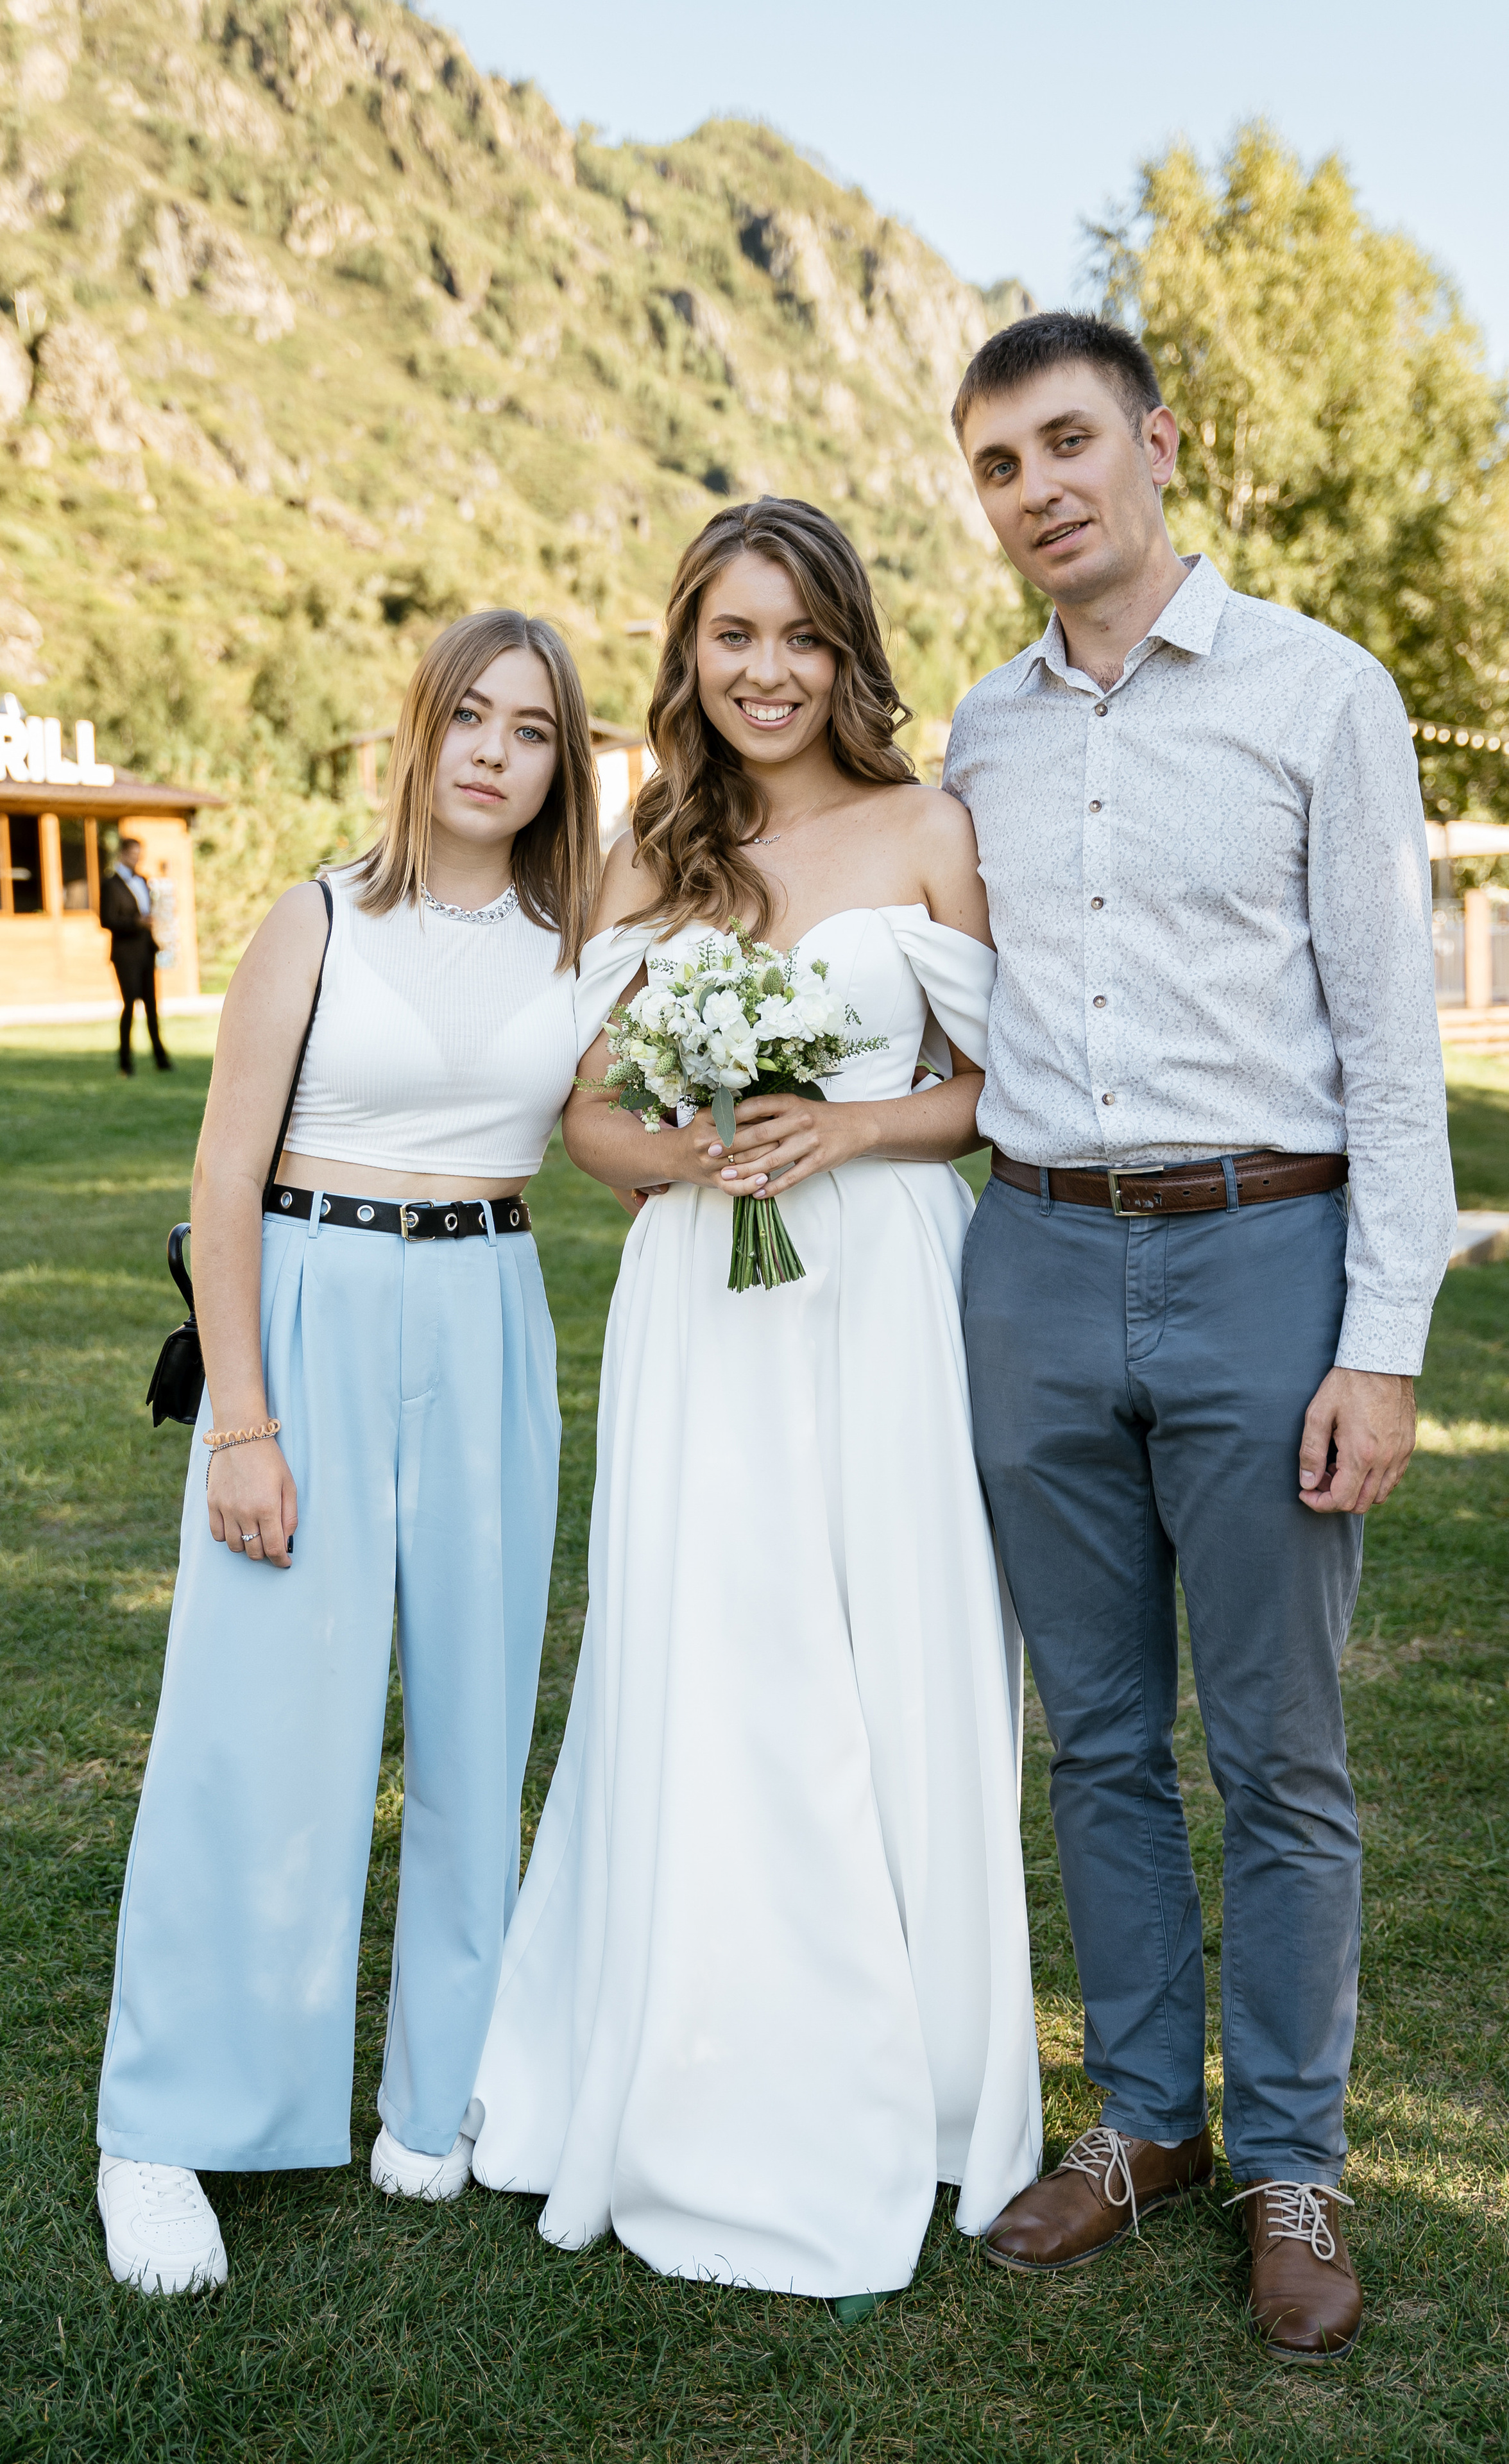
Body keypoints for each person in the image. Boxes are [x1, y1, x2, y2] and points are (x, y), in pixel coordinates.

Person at [944, 312, 1454, 2360]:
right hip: (1036, 1263)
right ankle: (1147, 2116)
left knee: (1278, 1747)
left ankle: (1295, 2154)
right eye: (994, 464)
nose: (1036, 487)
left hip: (1265, 1252)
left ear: (1156, 445)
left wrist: (1384, 1337)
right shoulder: (975, 731)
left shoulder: (1319, 692)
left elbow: (1391, 1048)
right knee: (1090, 1733)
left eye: (1065, 441)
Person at [469, 498, 1041, 2318]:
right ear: (690, 657)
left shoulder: (929, 827)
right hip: (702, 1306)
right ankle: (701, 2033)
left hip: (881, 1289)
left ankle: (928, 2066)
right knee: (716, 1650)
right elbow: (586, 1121)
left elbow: (993, 1085)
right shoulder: (657, 852)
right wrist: (696, 1152)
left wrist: (848, 1126)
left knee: (890, 1645)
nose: (767, 670)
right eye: (732, 637)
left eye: (799, 637)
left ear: (847, 650)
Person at [94, 610, 630, 2295]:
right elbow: (221, 1184)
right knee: (261, 1726)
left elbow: (605, 1127)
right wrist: (241, 1422)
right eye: (470, 714)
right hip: (311, 1316)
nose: (493, 750)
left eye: (531, 729)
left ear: (561, 762)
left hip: (485, 1316)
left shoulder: (574, 944)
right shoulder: (316, 917)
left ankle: (437, 2093)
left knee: (478, 1718)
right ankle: (165, 2122)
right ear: (423, 728)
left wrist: (764, 1119)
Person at [101, 835, 172, 1075]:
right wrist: (136, 922)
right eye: (133, 853)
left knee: (152, 1006)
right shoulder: (110, 884)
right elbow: (106, 920)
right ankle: (125, 1062)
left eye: (139, 853)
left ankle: (161, 1059)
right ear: (122, 854)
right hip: (125, 953)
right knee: (129, 1005)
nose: (137, 857)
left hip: (145, 951)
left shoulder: (143, 879)